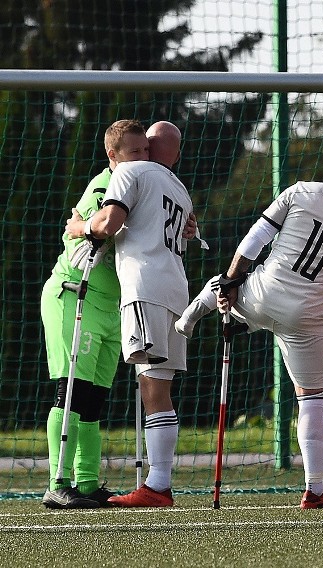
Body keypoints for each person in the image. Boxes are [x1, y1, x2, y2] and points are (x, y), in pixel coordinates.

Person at [176, 135, 323, 509]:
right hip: (307, 319)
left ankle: (192, 315)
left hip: (263, 295)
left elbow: (256, 237)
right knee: (311, 399)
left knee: (228, 283)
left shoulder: (299, 191)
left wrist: (233, 279)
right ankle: (314, 490)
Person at [65, 121, 194, 507]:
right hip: (177, 289)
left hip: (145, 286)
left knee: (151, 389)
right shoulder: (180, 187)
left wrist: (79, 226)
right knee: (161, 389)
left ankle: (157, 487)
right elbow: (184, 229)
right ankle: (160, 483)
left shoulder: (130, 172)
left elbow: (108, 224)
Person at [40, 120, 149, 509]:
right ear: (113, 156)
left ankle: (85, 484)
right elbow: (104, 228)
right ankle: (58, 481)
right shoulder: (105, 187)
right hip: (75, 296)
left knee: (95, 400)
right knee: (71, 392)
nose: (142, 159)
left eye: (146, 151)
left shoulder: (139, 187)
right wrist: (85, 225)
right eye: (134, 152)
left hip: (109, 306)